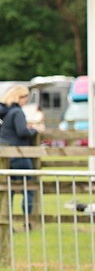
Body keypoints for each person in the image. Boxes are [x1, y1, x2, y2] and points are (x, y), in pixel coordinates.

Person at [1, 85, 43, 220]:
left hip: (7, 155)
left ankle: (8, 219)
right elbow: (22, 132)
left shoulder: (7, 112)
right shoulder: (17, 112)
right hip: (19, 154)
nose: (26, 101)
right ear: (19, 97)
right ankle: (28, 220)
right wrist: (35, 130)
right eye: (25, 98)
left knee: (10, 189)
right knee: (29, 186)